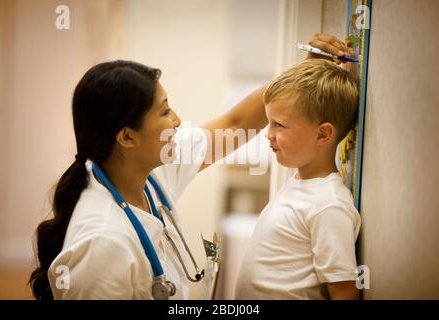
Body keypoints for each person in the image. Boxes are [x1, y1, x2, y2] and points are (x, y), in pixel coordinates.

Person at [29, 34, 347, 300]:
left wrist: (305, 78)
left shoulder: (148, 171)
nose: (177, 120)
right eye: (164, 112)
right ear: (127, 137)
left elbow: (236, 123)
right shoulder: (101, 243)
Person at [235, 58, 361, 300]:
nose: (268, 135)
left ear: (322, 134)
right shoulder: (299, 183)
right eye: (269, 122)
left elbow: (344, 291)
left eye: (279, 125)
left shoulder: (328, 205)